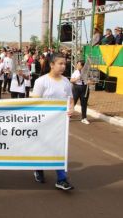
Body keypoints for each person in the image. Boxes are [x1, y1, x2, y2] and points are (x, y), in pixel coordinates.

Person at [32, 55, 74, 191]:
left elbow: (70, 100)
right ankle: (38, 168)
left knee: (59, 149)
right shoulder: (41, 81)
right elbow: (35, 103)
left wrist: (71, 109)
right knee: (42, 147)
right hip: (43, 122)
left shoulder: (66, 82)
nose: (63, 66)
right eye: (60, 63)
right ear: (52, 64)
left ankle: (61, 179)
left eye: (65, 64)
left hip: (60, 123)